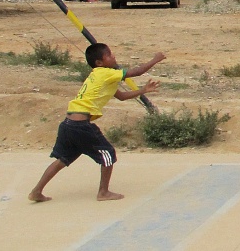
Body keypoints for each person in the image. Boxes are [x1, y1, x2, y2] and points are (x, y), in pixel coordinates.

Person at [28, 44, 165, 202]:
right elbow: (137, 72)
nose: (113, 57)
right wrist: (155, 59)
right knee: (108, 154)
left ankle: (36, 191)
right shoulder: (105, 73)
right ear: (99, 62)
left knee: (63, 159)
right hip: (81, 126)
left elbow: (121, 96)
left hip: (68, 124)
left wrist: (143, 90)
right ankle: (103, 192)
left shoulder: (100, 76)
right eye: (109, 55)